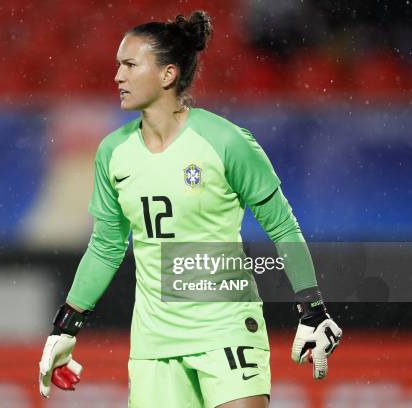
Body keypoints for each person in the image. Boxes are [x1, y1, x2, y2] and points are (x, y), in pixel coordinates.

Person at [38, 10, 342, 408]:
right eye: (117, 66)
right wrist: (65, 326)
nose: (118, 76)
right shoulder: (113, 152)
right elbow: (106, 246)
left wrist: (313, 309)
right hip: (154, 343)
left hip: (227, 327)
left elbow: (283, 227)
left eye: (130, 65)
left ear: (167, 75)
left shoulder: (226, 142)